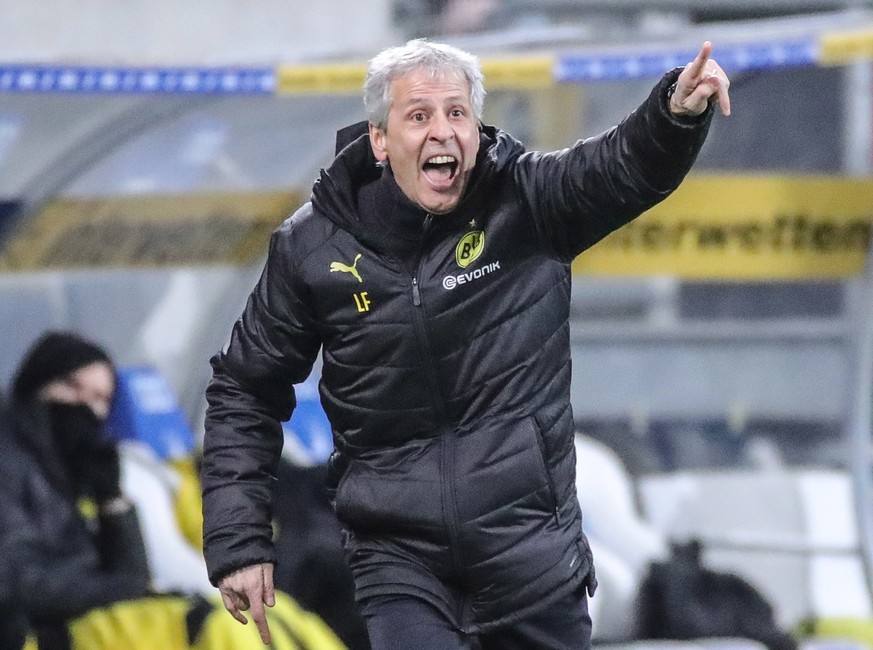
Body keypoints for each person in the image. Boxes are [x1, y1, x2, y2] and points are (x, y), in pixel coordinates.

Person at [201, 38, 731, 649]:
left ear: (476, 129)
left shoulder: (527, 201)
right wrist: (239, 541)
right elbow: (245, 389)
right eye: (419, 116)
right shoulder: (313, 247)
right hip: (401, 565)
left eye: (457, 114)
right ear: (379, 140)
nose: (442, 132)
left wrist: (674, 114)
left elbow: (618, 168)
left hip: (531, 555)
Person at [0, 331, 348, 650]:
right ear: (36, 385)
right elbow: (16, 582)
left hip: (96, 612)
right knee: (217, 627)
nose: (88, 408)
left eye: (100, 398)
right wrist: (128, 590)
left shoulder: (71, 473)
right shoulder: (11, 465)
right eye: (74, 387)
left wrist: (113, 501)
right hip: (44, 630)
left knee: (278, 613)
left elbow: (131, 574)